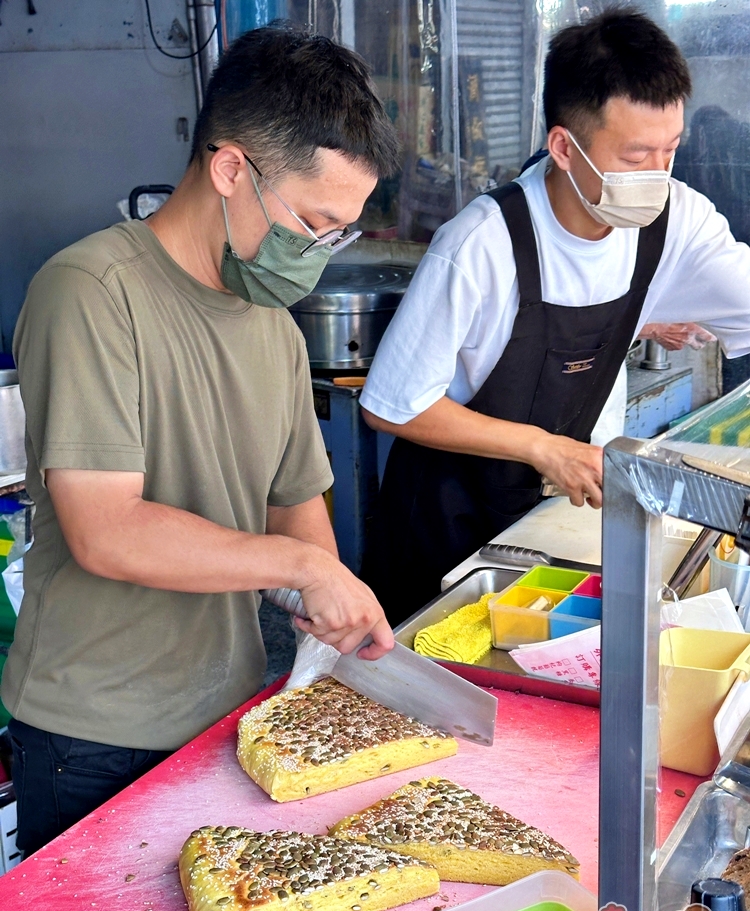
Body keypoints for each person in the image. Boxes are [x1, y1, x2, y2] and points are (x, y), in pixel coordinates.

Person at [2, 24, 400, 855]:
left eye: (339, 233)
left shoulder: (273, 327)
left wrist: (330, 604)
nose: (318, 253)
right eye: (314, 223)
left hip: (227, 717)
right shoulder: (90, 291)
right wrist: (301, 569)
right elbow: (104, 529)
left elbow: (296, 508)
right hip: (94, 738)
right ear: (230, 170)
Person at [360, 9, 750, 626]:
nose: (658, 176)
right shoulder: (481, 246)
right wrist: (544, 448)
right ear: (565, 147)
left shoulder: (677, 224)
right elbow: (391, 405)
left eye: (670, 151)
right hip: (443, 523)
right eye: (634, 155)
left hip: (546, 526)